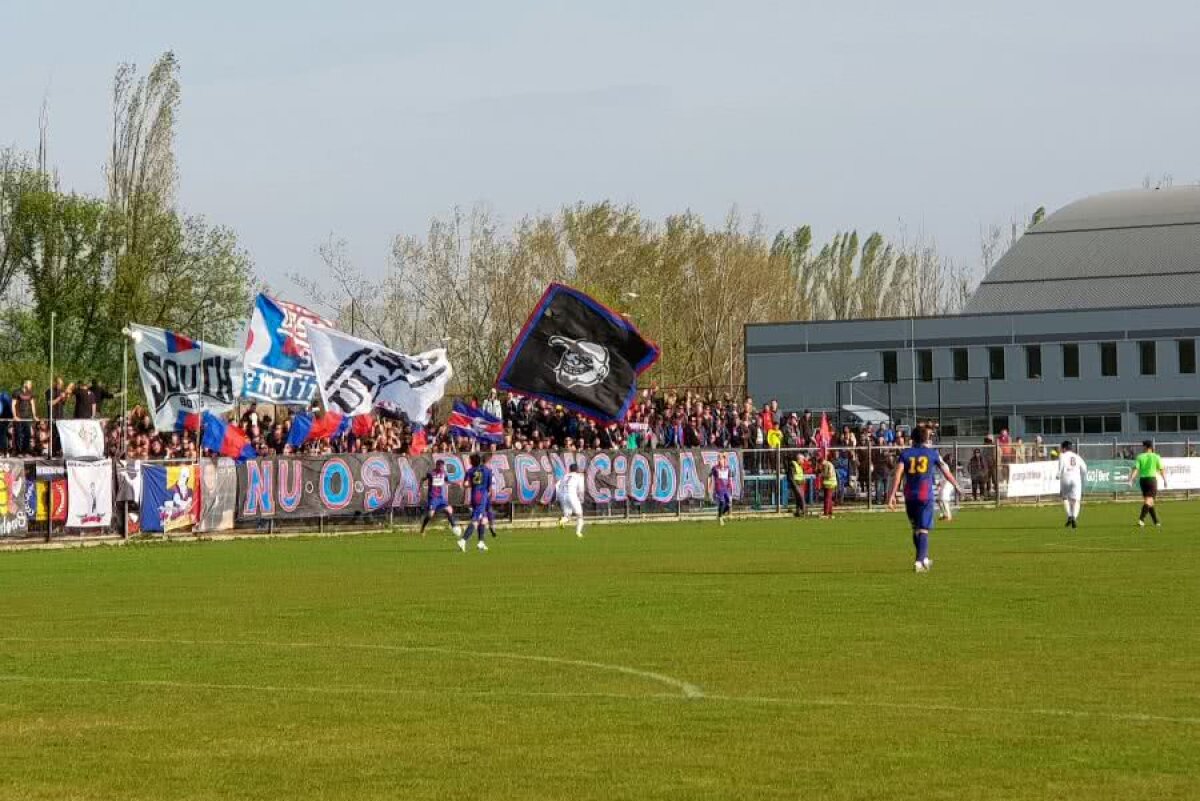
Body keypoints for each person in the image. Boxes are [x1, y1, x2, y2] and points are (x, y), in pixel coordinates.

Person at [887, 426, 961, 573]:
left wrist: (892, 495)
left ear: (912, 439)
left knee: (916, 529)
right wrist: (956, 485)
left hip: (909, 496)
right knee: (924, 530)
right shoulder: (932, 453)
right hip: (925, 496)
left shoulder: (905, 454)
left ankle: (924, 557)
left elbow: (898, 475)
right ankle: (919, 562)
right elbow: (945, 472)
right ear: (926, 438)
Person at [458, 453, 493, 551]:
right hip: (482, 497)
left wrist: (470, 485)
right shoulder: (487, 471)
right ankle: (463, 540)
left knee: (484, 519)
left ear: (472, 461)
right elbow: (489, 488)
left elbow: (465, 484)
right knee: (476, 520)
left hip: (474, 496)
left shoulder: (469, 471)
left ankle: (481, 542)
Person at [1129, 440, 1166, 528]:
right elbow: (1161, 469)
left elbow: (1136, 469)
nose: (1142, 448)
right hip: (1151, 480)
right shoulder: (1156, 457)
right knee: (1149, 501)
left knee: (1150, 501)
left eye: (1143, 446)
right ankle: (1141, 519)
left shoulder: (1140, 457)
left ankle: (1156, 521)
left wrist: (1131, 479)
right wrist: (1165, 480)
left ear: (1146, 447)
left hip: (1143, 480)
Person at [419, 459, 460, 538]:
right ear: (437, 465)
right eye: (440, 466)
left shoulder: (444, 473)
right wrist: (419, 488)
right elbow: (423, 479)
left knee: (449, 510)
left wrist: (456, 483)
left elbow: (447, 481)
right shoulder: (431, 473)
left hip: (441, 497)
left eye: (442, 467)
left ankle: (454, 527)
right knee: (430, 514)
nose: (442, 468)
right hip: (433, 497)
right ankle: (422, 528)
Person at [1056, 441, 1087, 529]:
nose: (1061, 449)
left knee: (1065, 498)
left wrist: (1058, 475)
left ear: (1064, 448)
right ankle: (1074, 517)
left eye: (1061, 448)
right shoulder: (1077, 456)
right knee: (1076, 500)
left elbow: (1061, 467)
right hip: (1076, 479)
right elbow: (1084, 468)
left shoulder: (1062, 455)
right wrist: (1082, 476)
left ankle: (1069, 515)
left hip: (1066, 477)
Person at [555, 463, 585, 538]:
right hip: (572, 495)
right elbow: (581, 489)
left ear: (570, 469)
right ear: (577, 469)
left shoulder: (565, 476)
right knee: (580, 515)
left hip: (563, 496)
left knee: (567, 516)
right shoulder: (579, 476)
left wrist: (559, 497)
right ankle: (578, 533)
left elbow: (559, 486)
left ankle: (562, 521)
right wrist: (581, 498)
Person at [708, 452, 734, 526]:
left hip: (726, 488)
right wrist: (709, 487)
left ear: (724, 460)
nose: (720, 460)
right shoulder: (715, 468)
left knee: (728, 504)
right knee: (722, 502)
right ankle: (720, 518)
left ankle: (720, 515)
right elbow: (710, 477)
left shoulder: (728, 468)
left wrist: (731, 486)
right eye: (719, 459)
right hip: (719, 488)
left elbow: (730, 478)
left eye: (721, 459)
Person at [13, 380, 36, 456]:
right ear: (25, 384)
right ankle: (18, 452)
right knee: (19, 434)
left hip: (27, 417)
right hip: (19, 416)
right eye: (30, 384)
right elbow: (13, 405)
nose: (31, 385)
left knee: (27, 434)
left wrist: (34, 416)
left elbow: (32, 405)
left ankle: (25, 452)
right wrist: (15, 416)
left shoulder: (31, 393)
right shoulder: (17, 392)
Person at [788, 452, 807, 517]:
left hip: (800, 484)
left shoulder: (799, 465)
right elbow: (791, 476)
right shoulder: (793, 464)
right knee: (801, 497)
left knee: (799, 498)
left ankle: (798, 512)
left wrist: (803, 480)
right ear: (799, 459)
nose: (803, 461)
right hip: (796, 484)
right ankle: (804, 511)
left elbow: (800, 474)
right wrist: (795, 485)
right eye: (802, 460)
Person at [819, 452, 837, 518]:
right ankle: (830, 513)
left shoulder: (827, 465)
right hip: (830, 483)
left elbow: (829, 475)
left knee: (827, 498)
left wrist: (821, 475)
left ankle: (826, 513)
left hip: (830, 483)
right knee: (829, 498)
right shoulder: (827, 464)